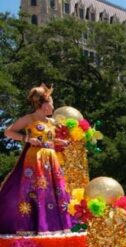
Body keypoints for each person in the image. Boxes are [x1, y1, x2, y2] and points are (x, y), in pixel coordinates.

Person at [0, 84, 72, 235]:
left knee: (54, 191)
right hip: (35, 159)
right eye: (52, 102)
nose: (53, 106)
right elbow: (8, 132)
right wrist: (26, 139)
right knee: (36, 190)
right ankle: (33, 226)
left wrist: (60, 142)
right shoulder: (29, 118)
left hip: (51, 159)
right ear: (45, 104)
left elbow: (50, 140)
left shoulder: (51, 122)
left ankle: (53, 226)